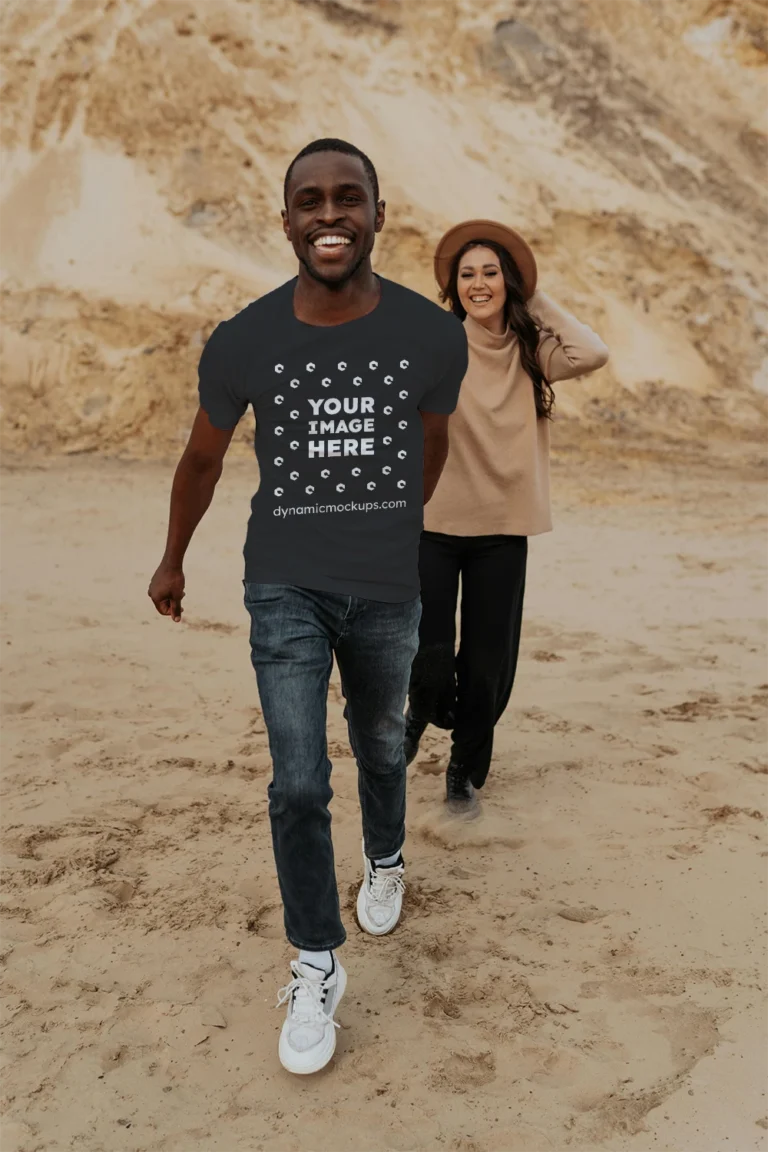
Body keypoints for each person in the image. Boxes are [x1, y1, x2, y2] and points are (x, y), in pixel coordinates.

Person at [147, 139, 467, 1075]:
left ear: (378, 213)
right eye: (310, 202)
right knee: (295, 780)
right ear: (284, 219)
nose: (331, 216)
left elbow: (430, 445)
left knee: (377, 745)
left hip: (383, 587)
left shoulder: (429, 335)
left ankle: (386, 856)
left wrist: (395, 531)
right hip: (281, 581)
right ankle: (315, 959)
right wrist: (172, 558)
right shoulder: (244, 339)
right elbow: (203, 458)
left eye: (348, 199)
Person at [404, 220, 609, 814]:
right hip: (434, 526)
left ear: (508, 280)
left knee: (486, 663)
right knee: (430, 651)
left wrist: (532, 294)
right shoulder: (435, 342)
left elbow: (591, 352)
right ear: (454, 286)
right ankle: (417, 711)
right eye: (466, 274)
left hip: (502, 531)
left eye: (491, 272)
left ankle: (462, 775)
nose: (478, 283)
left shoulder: (532, 349)